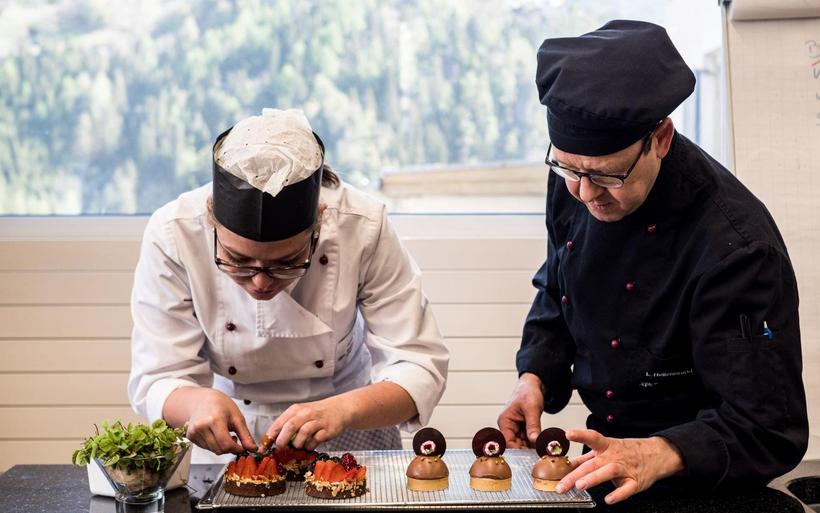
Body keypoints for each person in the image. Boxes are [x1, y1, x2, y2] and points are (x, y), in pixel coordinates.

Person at [497, 20, 808, 505]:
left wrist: (655, 454)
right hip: (610, 462)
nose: (584, 193)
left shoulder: (736, 248)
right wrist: (534, 376)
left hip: (708, 486)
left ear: (660, 137)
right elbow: (558, 285)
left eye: (607, 175)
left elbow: (769, 428)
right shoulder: (576, 183)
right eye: (567, 167)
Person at [128, 108, 449, 461]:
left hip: (350, 422)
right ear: (211, 217)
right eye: (237, 261)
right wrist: (198, 402)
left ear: (320, 225)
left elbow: (419, 363)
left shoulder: (363, 226)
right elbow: (158, 376)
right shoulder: (173, 233)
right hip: (233, 433)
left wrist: (343, 410)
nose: (261, 282)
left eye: (286, 263)